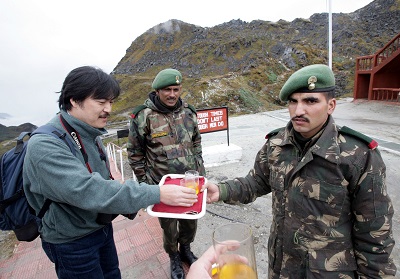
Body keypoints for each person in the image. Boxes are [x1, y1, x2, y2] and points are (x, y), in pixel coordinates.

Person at [204, 64, 397, 278]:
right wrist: (220, 190)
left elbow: (375, 234)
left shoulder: (357, 155)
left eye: (310, 101)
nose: (298, 111)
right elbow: (257, 182)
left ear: (331, 105)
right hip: (281, 268)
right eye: (293, 101)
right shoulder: (276, 144)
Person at [23, 66, 198, 279]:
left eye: (111, 102)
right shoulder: (44, 145)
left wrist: (130, 204)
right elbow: (88, 190)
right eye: (101, 102)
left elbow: (105, 179)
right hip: (72, 242)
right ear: (74, 100)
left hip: (101, 228)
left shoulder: (90, 132)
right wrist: (154, 192)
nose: (108, 109)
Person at [127, 68, 206, 279]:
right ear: (157, 90)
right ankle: (173, 257)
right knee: (169, 226)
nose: (172, 94)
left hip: (190, 183)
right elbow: (135, 153)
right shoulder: (143, 116)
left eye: (176, 89)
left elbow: (196, 142)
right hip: (162, 186)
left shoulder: (189, 112)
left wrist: (200, 171)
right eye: (167, 90)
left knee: (190, 221)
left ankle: (186, 250)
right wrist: (146, 185)